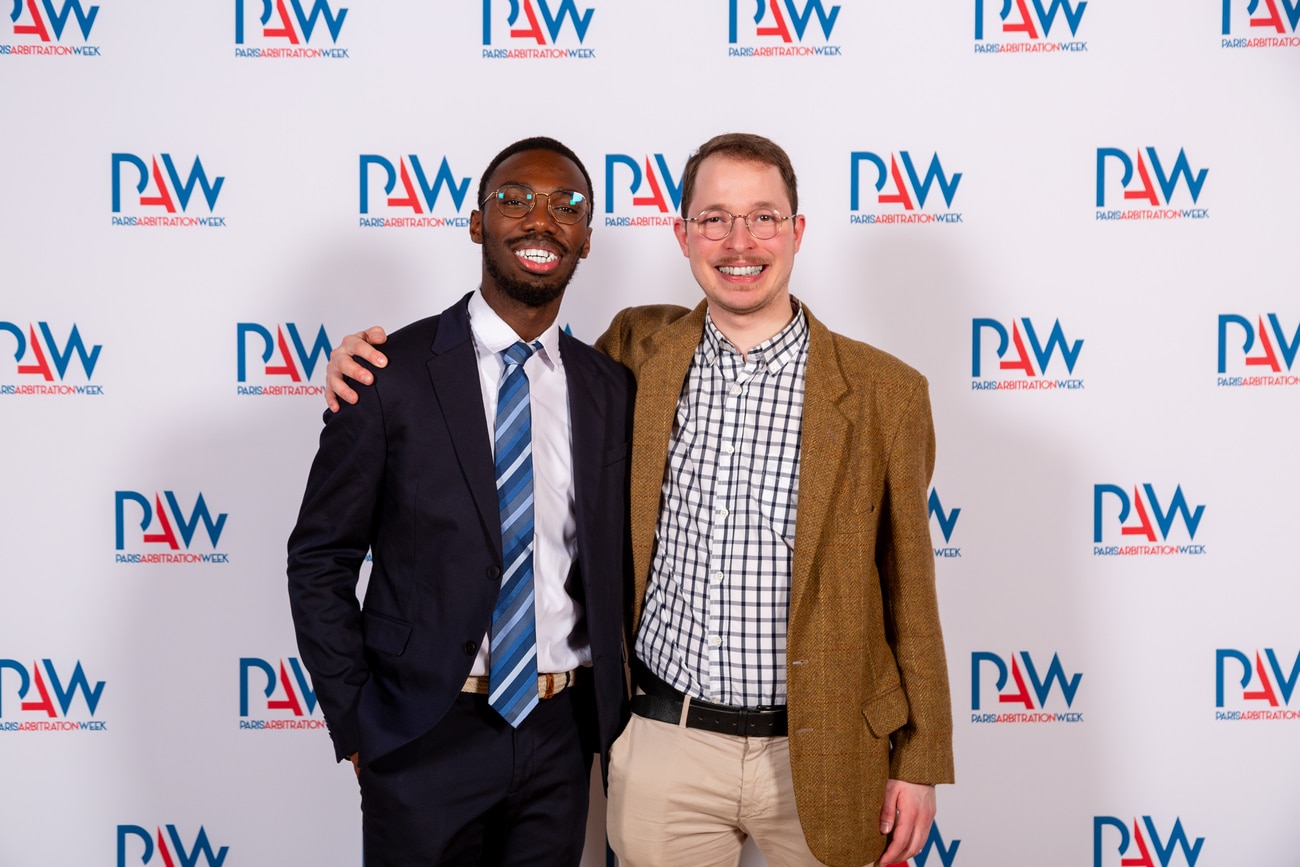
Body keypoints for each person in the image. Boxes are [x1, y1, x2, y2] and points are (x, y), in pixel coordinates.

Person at [325, 133, 954, 867]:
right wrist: (362, 365)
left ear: (798, 231)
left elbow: (911, 590)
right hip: (665, 743)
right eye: (714, 219)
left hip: (827, 745)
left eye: (764, 217)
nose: (740, 242)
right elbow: (503, 374)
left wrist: (919, 760)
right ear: (683, 235)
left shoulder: (886, 394)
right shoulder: (635, 351)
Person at [287, 136, 633, 867]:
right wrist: (358, 720)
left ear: (586, 239)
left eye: (566, 205)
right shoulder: (387, 374)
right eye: (514, 199)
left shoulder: (609, 387)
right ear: (478, 223)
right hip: (422, 733)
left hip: (560, 734)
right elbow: (320, 557)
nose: (540, 219)